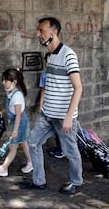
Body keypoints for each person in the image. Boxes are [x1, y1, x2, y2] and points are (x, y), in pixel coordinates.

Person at [18, 17, 83, 195]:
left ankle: (77, 182)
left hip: (64, 117)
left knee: (70, 151)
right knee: (33, 142)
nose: (38, 34)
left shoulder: (68, 55)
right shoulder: (50, 55)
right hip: (47, 115)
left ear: (53, 32)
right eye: (38, 31)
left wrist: (69, 116)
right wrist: (42, 104)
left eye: (42, 31)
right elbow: (48, 82)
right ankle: (39, 182)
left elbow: (78, 88)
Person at [0, 68, 33, 177]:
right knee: (23, 143)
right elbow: (10, 107)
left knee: (13, 146)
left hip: (20, 123)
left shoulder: (17, 96)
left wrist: (15, 131)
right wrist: (2, 111)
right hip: (17, 122)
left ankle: (4, 168)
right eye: (3, 80)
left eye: (6, 80)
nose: (3, 82)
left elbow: (18, 115)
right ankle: (31, 162)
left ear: (14, 82)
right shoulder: (10, 92)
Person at [39, 53, 65, 159]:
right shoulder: (45, 74)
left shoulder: (62, 74)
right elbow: (43, 91)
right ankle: (62, 149)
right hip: (51, 107)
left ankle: (61, 150)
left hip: (59, 107)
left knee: (59, 130)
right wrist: (41, 105)